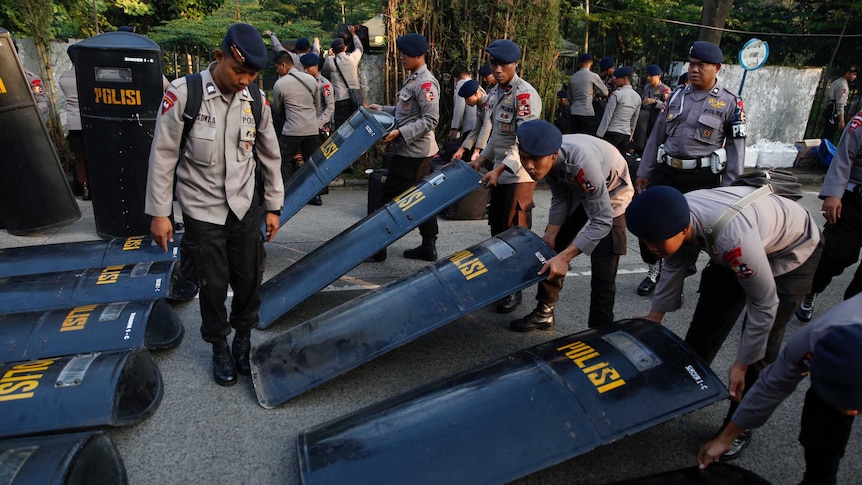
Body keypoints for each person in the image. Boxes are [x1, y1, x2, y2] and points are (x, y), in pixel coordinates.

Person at [626, 185, 822, 460]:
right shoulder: (674, 214)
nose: (651, 248)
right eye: (645, 242)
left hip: (792, 250)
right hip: (744, 239)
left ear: (683, 229)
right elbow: (673, 263)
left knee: (761, 348)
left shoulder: (733, 242)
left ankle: (738, 426)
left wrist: (741, 362)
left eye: (655, 242)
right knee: (706, 323)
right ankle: (686, 390)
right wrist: (655, 315)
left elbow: (764, 303)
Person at [145, 23, 285, 387]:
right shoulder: (184, 94)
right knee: (211, 283)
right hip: (201, 209)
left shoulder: (255, 99)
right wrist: (161, 213)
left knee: (249, 278)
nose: (244, 80)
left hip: (243, 206)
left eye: (252, 73)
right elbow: (163, 156)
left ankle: (243, 338)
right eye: (239, 71)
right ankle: (219, 346)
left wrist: (273, 206)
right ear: (219, 57)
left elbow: (270, 154)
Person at [481, 120, 632, 331]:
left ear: (553, 154)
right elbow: (561, 196)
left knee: (603, 266)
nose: (529, 166)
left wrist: (566, 257)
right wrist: (551, 236)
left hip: (610, 191)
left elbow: (601, 220)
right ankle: (544, 313)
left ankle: (600, 332)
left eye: (535, 160)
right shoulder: (547, 163)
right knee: (550, 252)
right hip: (577, 188)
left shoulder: (582, 164)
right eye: (524, 159)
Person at [699, 293, 862, 484]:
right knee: (825, 424)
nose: (850, 412)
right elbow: (773, 386)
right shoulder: (813, 338)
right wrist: (726, 437)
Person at [634, 41, 746, 297]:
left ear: (716, 68)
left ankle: (675, 276)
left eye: (701, 65)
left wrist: (730, 191)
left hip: (701, 177)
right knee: (649, 219)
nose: (695, 70)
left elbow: (737, 151)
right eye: (692, 65)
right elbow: (656, 136)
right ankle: (653, 270)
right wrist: (645, 170)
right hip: (666, 170)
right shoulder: (675, 96)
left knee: (688, 231)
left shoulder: (730, 102)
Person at [469, 39, 542, 314]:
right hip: (501, 173)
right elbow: (498, 137)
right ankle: (502, 283)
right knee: (498, 231)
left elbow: (523, 140)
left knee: (515, 235)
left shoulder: (524, 96)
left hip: (519, 174)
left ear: (515, 64)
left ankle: (515, 290)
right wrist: (482, 160)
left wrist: (499, 168)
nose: (498, 69)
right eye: (494, 64)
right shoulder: (496, 93)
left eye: (504, 64)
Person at [366, 33, 440, 262]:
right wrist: (382, 109)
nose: (401, 58)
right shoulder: (413, 79)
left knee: (389, 198)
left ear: (419, 55)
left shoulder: (426, 83)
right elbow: (406, 113)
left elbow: (430, 120)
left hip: (414, 153)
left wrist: (401, 132)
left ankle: (378, 247)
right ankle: (428, 245)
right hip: (409, 151)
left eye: (405, 54)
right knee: (421, 198)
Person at [797, 109, 862, 322]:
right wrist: (833, 194)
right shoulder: (859, 123)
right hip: (853, 200)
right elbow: (844, 158)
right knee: (836, 254)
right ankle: (810, 289)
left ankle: (852, 317)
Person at [271, 51, 321, 195]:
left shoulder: (280, 84)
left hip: (292, 130)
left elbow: (279, 110)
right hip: (312, 128)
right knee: (312, 162)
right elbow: (317, 105)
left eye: (277, 67)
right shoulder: (311, 79)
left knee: (282, 160)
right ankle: (315, 193)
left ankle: (288, 191)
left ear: (283, 65)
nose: (277, 70)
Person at [301, 52, 335, 206]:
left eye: (308, 67)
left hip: (319, 127)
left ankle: (317, 193)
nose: (305, 70)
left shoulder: (324, 84)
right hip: (306, 125)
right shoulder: (303, 81)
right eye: (304, 67)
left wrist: (318, 123)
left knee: (317, 159)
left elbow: (330, 107)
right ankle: (320, 188)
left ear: (315, 67)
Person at [59, 46, 89, 200]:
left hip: (74, 122)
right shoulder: (89, 76)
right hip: (90, 121)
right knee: (95, 156)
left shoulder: (64, 78)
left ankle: (85, 188)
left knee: (80, 157)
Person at [322, 25, 364, 129]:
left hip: (341, 100)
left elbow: (324, 68)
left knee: (341, 129)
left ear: (333, 50)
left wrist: (330, 55)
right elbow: (360, 48)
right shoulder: (353, 58)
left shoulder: (330, 62)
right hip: (356, 99)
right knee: (355, 127)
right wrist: (354, 34)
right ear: (345, 48)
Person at [596, 66, 640, 156]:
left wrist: (599, 135)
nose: (615, 80)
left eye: (617, 78)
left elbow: (607, 116)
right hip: (625, 135)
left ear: (625, 79)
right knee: (620, 160)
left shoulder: (617, 94)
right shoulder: (637, 97)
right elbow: (634, 119)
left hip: (613, 132)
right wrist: (631, 135)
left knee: (607, 158)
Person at [451, 79, 491, 163]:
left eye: (467, 98)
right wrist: (461, 149)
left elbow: (486, 127)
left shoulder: (489, 103)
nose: (466, 102)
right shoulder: (480, 106)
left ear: (475, 94)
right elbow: (476, 129)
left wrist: (477, 150)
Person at [567, 53, 607, 136]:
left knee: (575, 137)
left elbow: (569, 98)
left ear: (580, 63)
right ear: (591, 63)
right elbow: (605, 92)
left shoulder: (572, 78)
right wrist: (596, 94)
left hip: (574, 112)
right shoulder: (593, 76)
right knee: (587, 138)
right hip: (587, 112)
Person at [821, 66, 858, 142]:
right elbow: (840, 103)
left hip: (831, 108)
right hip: (834, 111)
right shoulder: (843, 85)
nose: (855, 77)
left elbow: (827, 98)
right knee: (830, 134)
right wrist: (841, 120)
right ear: (847, 73)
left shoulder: (837, 81)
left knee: (827, 132)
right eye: (853, 74)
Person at [641, 64, 671, 137]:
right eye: (647, 75)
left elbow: (668, 106)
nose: (648, 78)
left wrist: (655, 101)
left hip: (656, 119)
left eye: (651, 76)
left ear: (658, 76)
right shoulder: (647, 87)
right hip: (645, 119)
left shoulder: (664, 89)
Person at [450, 66, 476, 142]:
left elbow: (459, 107)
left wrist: (455, 128)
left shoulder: (461, 85)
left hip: (469, 127)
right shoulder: (475, 85)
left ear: (455, 79)